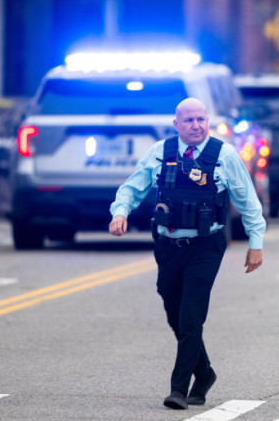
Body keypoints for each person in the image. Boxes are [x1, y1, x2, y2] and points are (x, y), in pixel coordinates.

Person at [108, 97, 266, 410]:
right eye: (189, 120)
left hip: (206, 245)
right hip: (167, 245)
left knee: (191, 316)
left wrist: (255, 241)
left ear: (207, 122)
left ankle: (178, 389)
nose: (196, 126)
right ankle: (205, 373)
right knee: (175, 313)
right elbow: (132, 187)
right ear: (177, 124)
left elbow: (247, 200)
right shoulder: (160, 153)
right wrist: (120, 211)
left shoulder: (224, 155)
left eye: (201, 120)